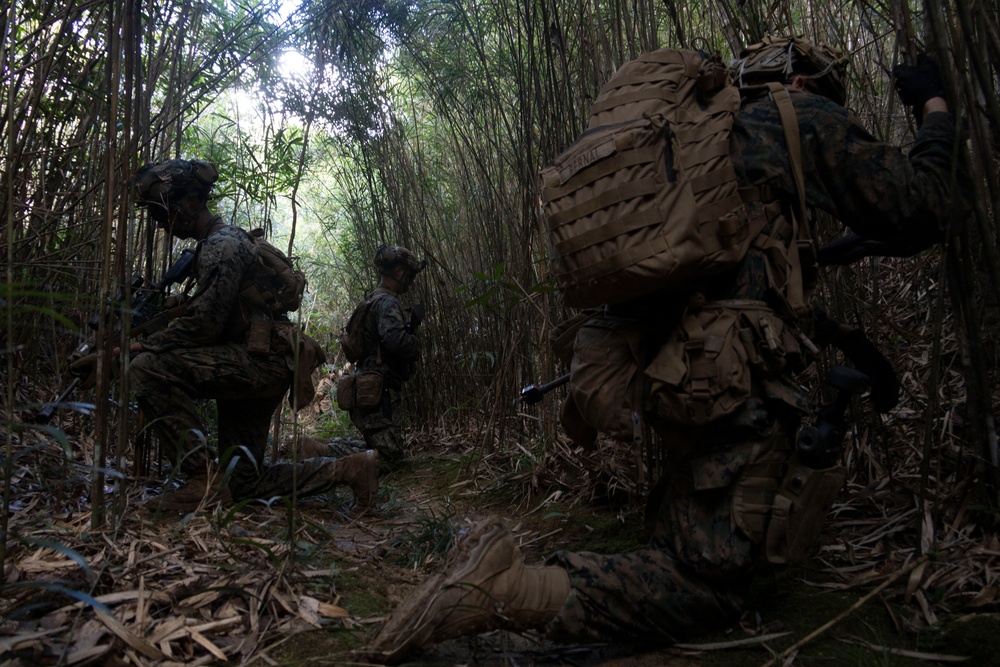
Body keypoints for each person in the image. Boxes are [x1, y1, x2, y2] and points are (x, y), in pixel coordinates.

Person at [360, 36, 966, 664]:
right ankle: (508, 588)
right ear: (803, 79)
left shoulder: (696, 137)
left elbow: (742, 281)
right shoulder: (797, 117)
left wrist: (841, 334)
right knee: (714, 588)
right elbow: (925, 205)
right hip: (730, 383)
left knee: (702, 538)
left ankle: (607, 564)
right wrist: (935, 108)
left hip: (668, 371)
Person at [123, 159, 378, 513]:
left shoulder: (222, 245)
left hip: (259, 362)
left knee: (146, 366)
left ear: (192, 203)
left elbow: (204, 324)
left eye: (164, 213)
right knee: (242, 483)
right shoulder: (222, 243)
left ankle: (203, 481)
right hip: (261, 361)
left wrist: (135, 346)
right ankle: (348, 468)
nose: (161, 223)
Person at [301, 244, 426, 465]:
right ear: (398, 272)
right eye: (410, 274)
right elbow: (395, 340)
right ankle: (321, 452)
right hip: (380, 388)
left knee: (380, 448)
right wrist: (415, 342)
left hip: (372, 385)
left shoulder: (372, 299)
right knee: (388, 458)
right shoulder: (387, 302)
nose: (411, 280)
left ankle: (320, 447)